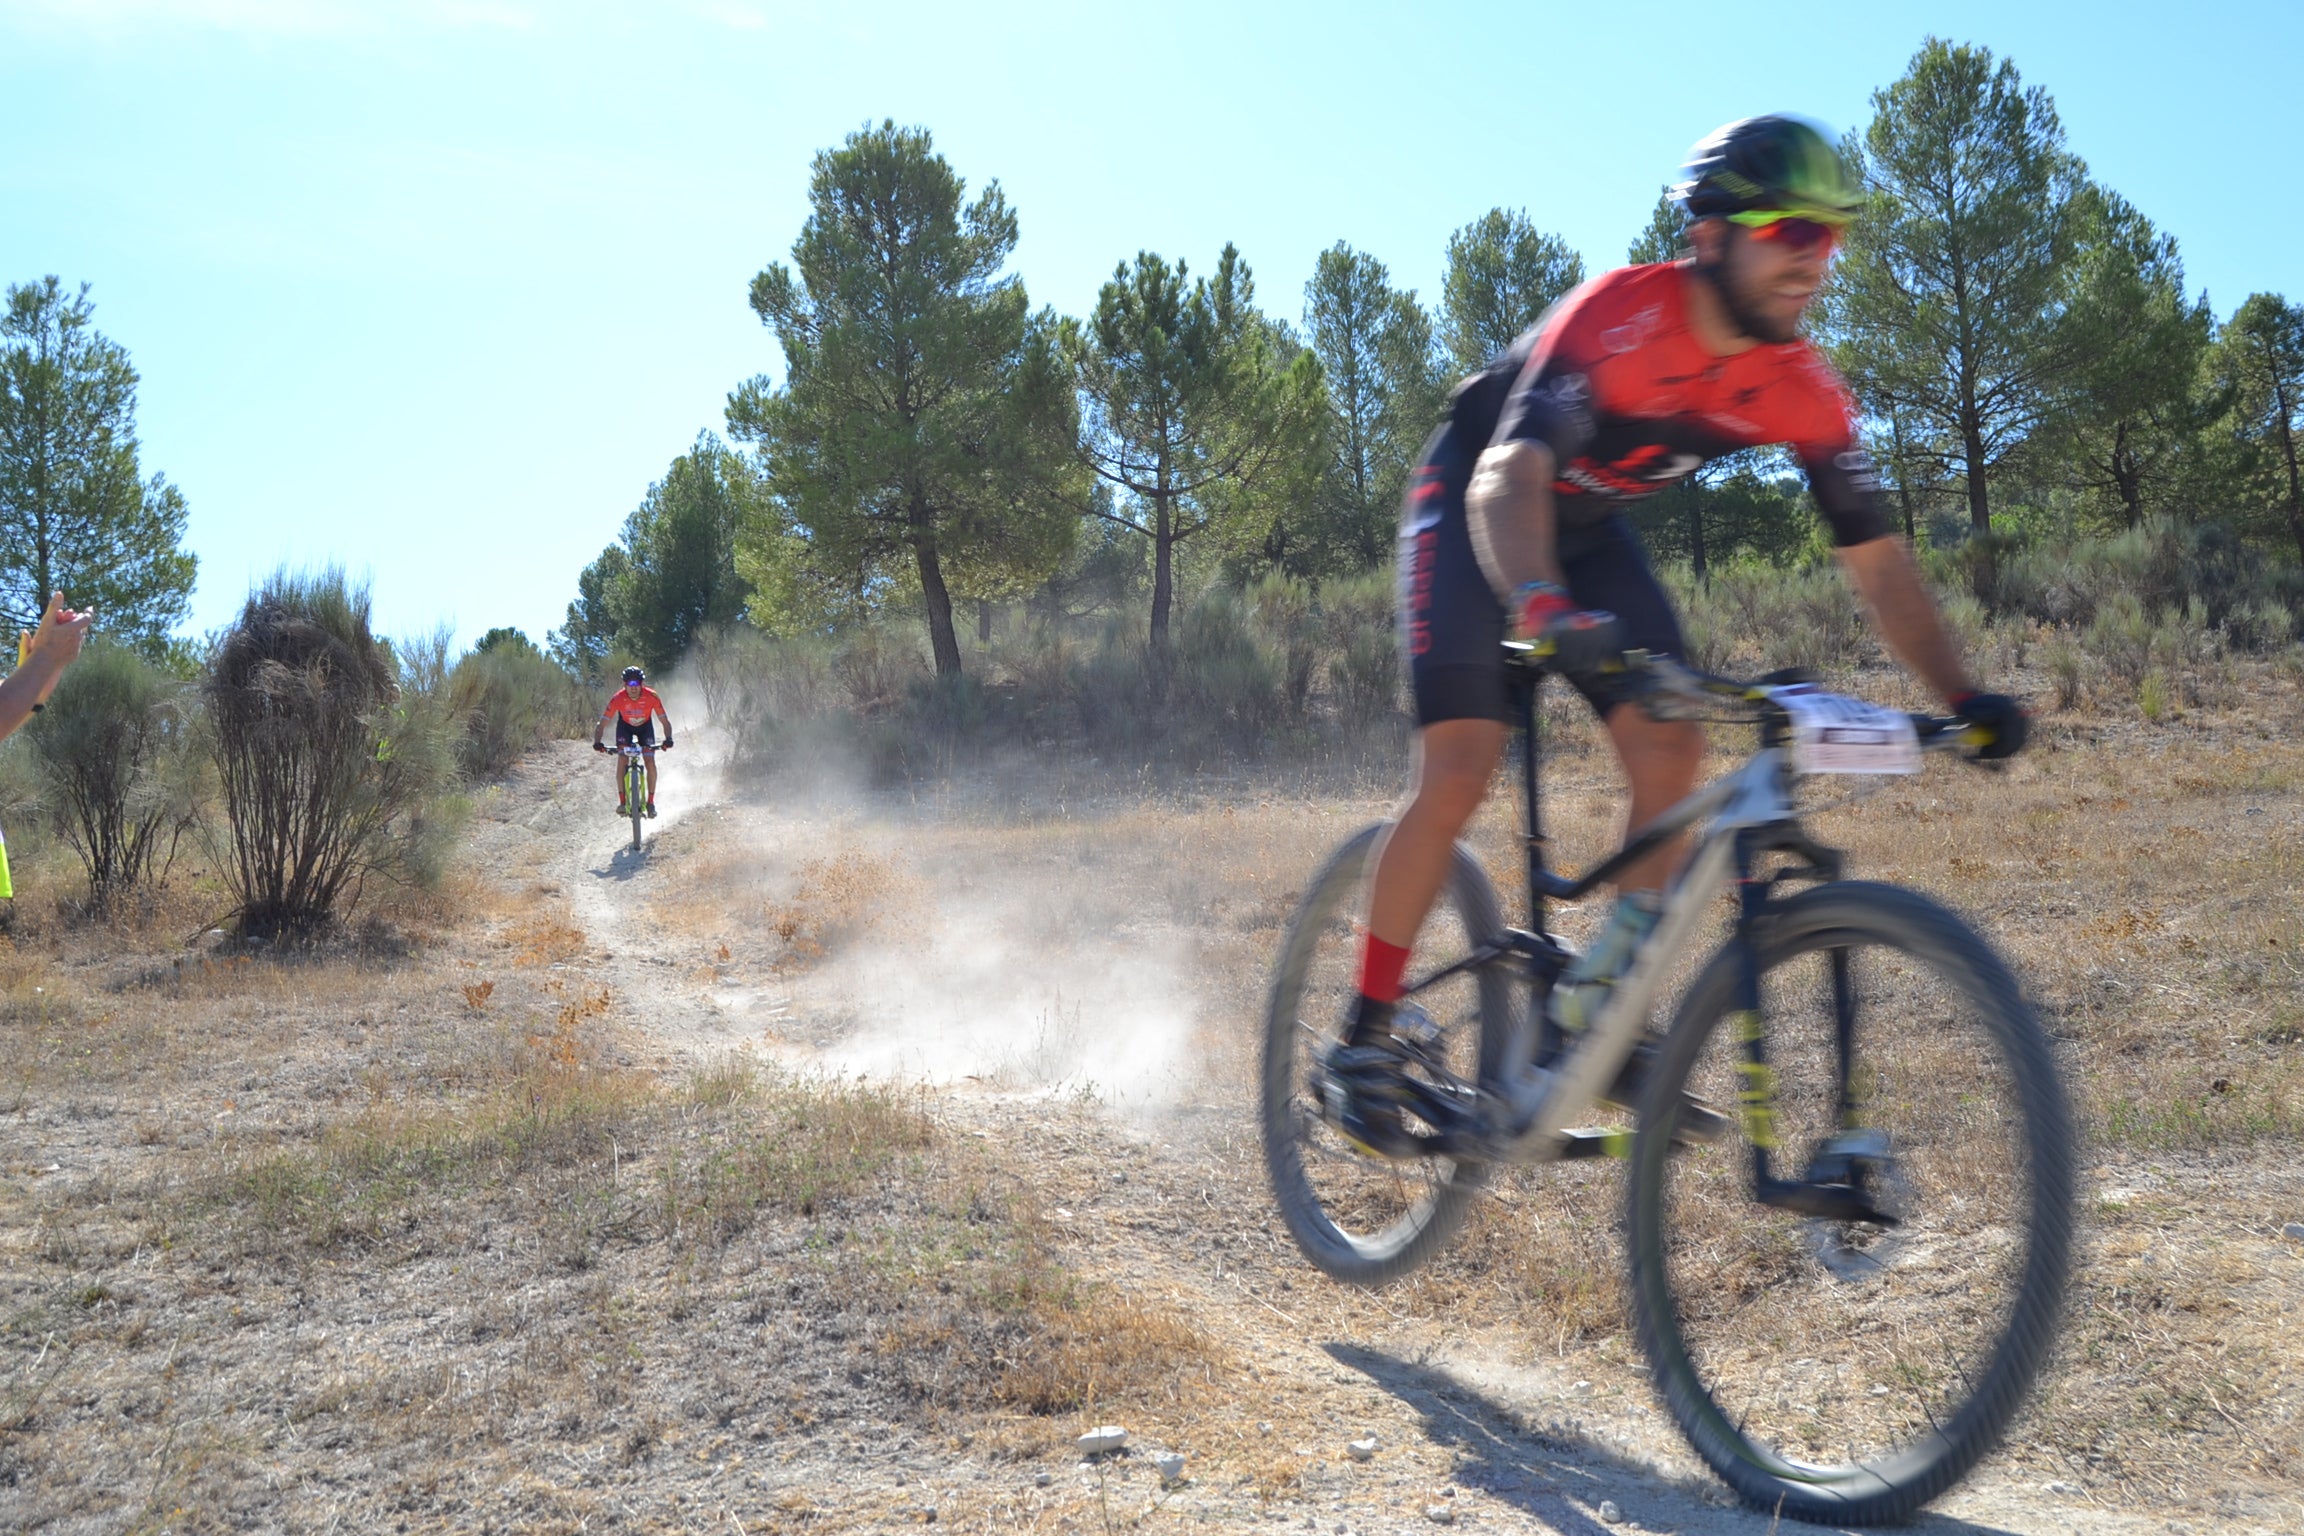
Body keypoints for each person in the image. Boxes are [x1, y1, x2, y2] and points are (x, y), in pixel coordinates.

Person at [1326, 116, 2028, 1152]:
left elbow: (1878, 564)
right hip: (1478, 499)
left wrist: (1964, 698)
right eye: (1791, 228)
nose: (1813, 256)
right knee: (1462, 764)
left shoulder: (1802, 387)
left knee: (1676, 741)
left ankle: (1596, 1016)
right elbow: (1508, 478)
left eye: (1830, 236)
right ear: (1712, 234)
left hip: (1589, 527)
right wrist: (1543, 609)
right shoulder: (1622, 319)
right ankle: (1365, 1034)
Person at [592, 666, 674, 817]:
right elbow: (603, 722)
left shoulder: (652, 696)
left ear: (642, 684)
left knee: (650, 761)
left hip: (645, 728)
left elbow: (664, 721)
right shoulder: (617, 698)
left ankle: (650, 802)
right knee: (622, 759)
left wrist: (668, 739)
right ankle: (623, 802)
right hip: (625, 728)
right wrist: (598, 741)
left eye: (637, 684)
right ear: (624, 685)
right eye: (630, 685)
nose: (633, 688)